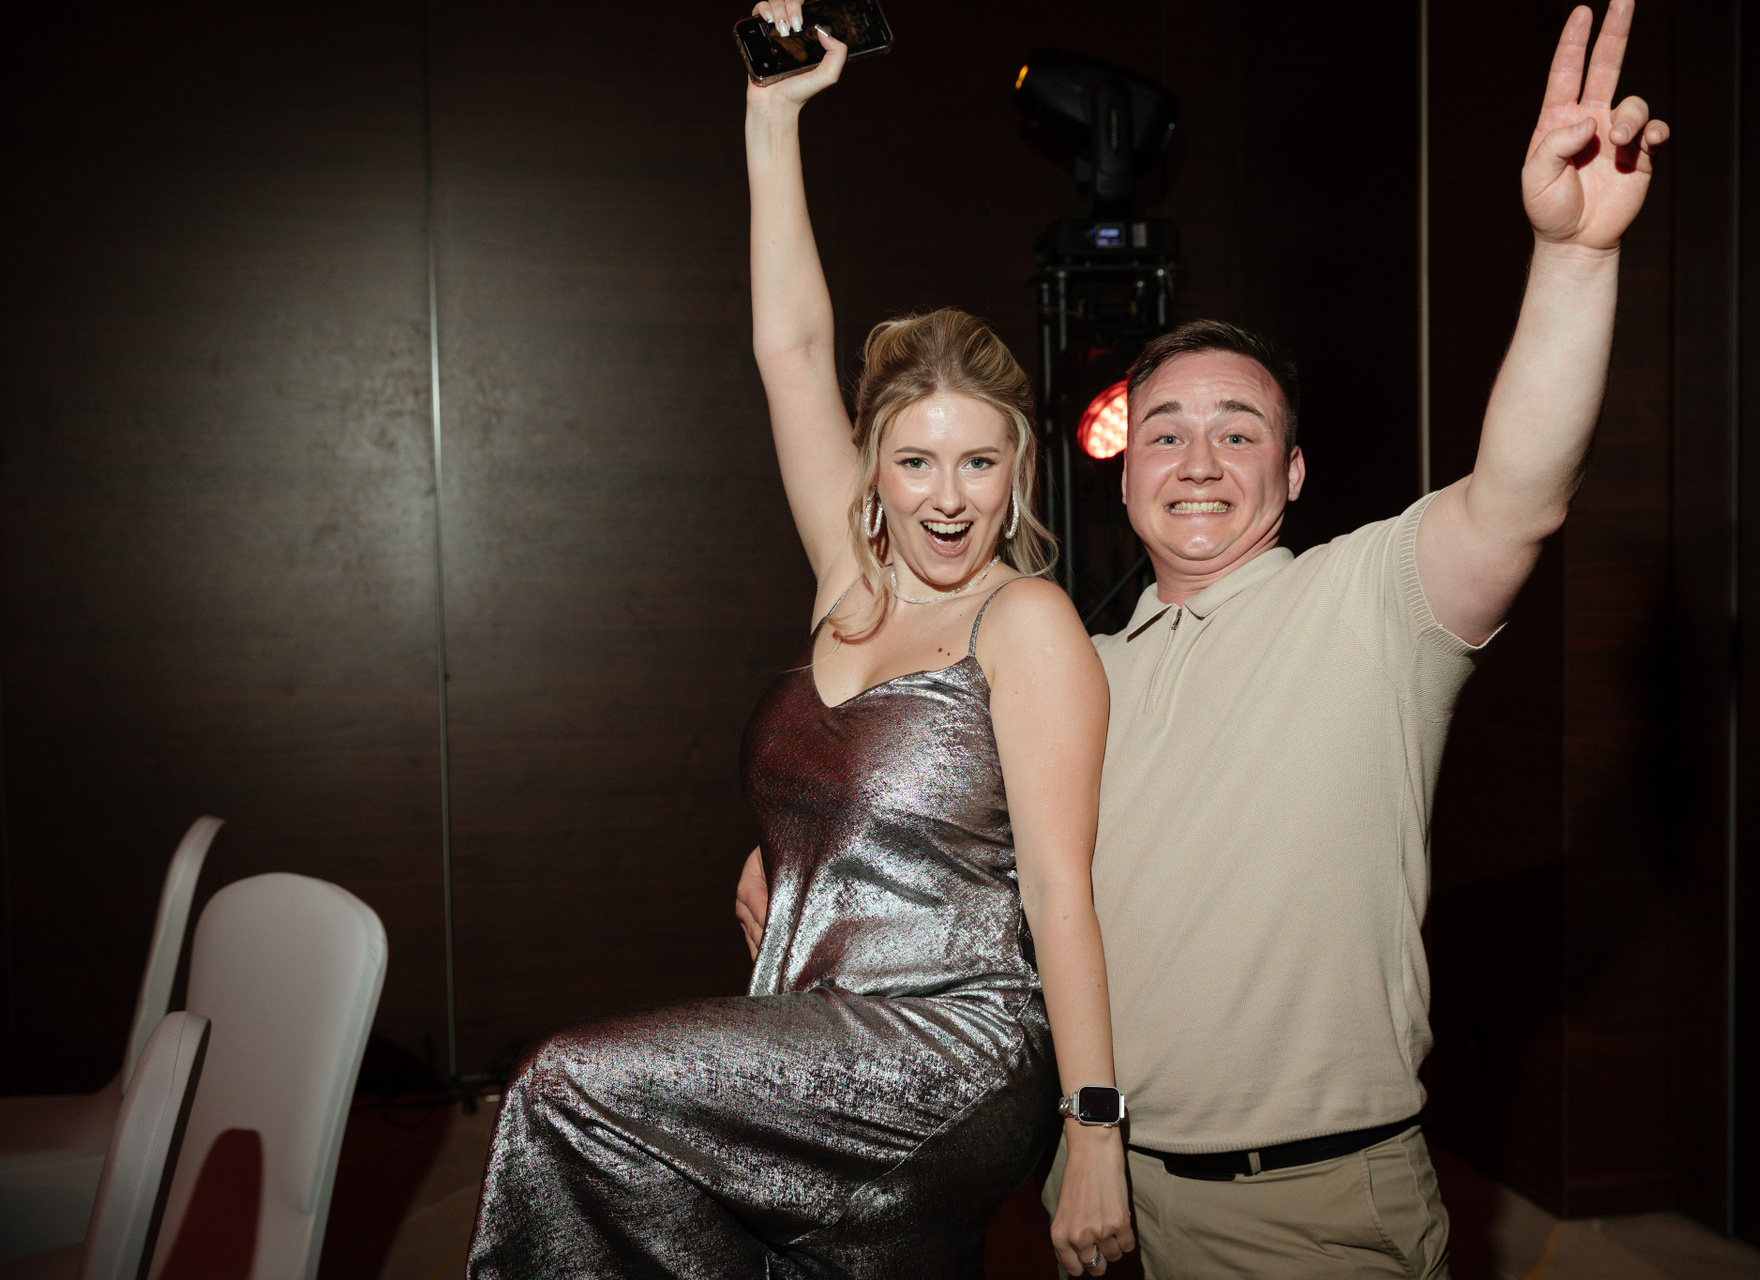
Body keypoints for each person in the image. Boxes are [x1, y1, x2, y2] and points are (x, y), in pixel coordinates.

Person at [735, 2, 1668, 1275]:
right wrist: (808, 845)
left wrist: (1573, 257)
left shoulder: (1371, 603)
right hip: (1088, 1185)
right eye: (1165, 430)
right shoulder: (1070, 660)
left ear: (1293, 474)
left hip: (1305, 1207)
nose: (1199, 458)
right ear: (1123, 477)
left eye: (1240, 431)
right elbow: (947, 831)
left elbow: (1521, 492)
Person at [466, 13, 1135, 1279]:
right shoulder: (848, 579)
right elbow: (789, 350)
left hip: (951, 1044)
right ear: (872, 470)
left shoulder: (1026, 620)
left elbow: (1059, 889)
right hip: (811, 1018)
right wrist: (772, 115)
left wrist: (1094, 1126)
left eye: (980, 462)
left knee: (564, 1085)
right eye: (917, 460)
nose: (949, 496)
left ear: (1019, 472)